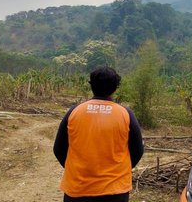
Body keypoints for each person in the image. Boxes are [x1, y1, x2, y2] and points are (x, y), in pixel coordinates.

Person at [54, 66, 144, 202]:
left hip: (78, 190)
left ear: (92, 86)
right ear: (115, 88)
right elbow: (138, 151)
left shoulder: (74, 112)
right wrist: (119, 172)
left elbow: (58, 149)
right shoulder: (126, 114)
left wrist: (75, 172)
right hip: (115, 191)